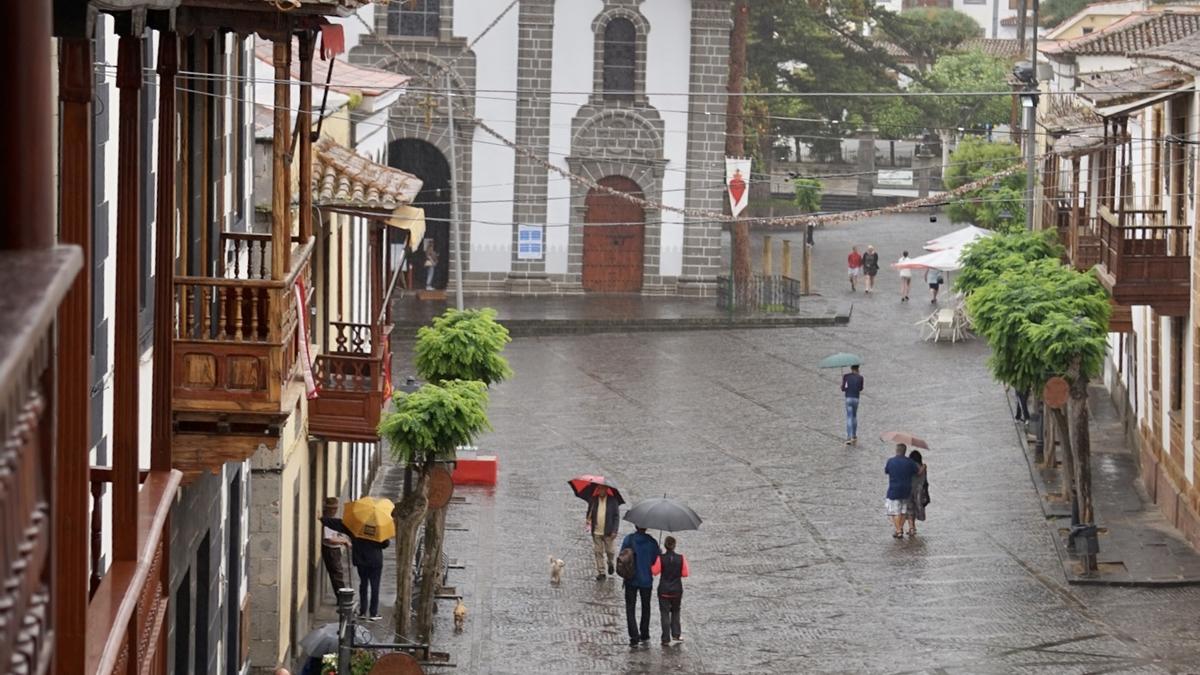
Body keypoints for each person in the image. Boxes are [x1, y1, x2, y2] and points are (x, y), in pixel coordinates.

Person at [321, 513, 390, 620]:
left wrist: (322, 519)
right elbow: (385, 544)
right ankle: (373, 613)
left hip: (361, 560)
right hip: (375, 561)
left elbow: (340, 524)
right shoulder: (378, 529)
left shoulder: (356, 527)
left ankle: (362, 612)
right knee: (375, 587)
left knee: (363, 585)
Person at [620, 526, 660, 647]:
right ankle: (644, 633)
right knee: (646, 606)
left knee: (630, 608)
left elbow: (622, 556)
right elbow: (653, 561)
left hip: (631, 578)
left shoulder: (628, 540)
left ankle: (634, 636)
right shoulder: (652, 542)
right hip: (646, 579)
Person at [651, 535, 689, 646]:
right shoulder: (681, 558)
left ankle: (665, 638)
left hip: (664, 590)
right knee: (676, 611)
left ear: (665, 545)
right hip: (677, 590)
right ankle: (676, 634)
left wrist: (657, 557)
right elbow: (685, 573)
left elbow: (654, 571)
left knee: (664, 613)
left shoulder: (661, 558)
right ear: (674, 545)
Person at [884, 443, 920, 539]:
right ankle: (899, 529)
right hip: (906, 490)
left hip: (894, 489)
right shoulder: (910, 462)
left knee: (894, 512)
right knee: (903, 511)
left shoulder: (890, 461)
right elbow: (917, 472)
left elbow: (886, 471)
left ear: (896, 450)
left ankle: (899, 530)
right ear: (905, 451)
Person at [585, 487, 621, 580]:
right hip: (596, 531)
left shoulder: (613, 501)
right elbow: (589, 513)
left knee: (610, 551)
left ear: (606, 490)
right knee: (598, 552)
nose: (601, 491)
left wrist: (615, 530)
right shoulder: (593, 500)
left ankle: (610, 562)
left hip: (608, 532)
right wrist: (588, 521)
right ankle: (601, 572)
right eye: (599, 489)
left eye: (603, 489)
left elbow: (616, 517)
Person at [320, 498, 351, 595]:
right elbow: (330, 540)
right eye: (334, 508)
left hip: (334, 550)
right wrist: (344, 541)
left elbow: (334, 536)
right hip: (331, 550)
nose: (336, 510)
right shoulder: (328, 522)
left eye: (336, 508)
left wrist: (340, 537)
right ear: (329, 509)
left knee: (338, 574)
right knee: (337, 575)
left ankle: (342, 597)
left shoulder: (331, 520)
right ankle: (342, 598)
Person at [905, 450, 928, 536]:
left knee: (910, 509)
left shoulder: (909, 466)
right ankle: (913, 527)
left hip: (909, 489)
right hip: (920, 491)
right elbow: (925, 480)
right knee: (915, 508)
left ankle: (911, 528)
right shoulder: (923, 467)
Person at [841, 364, 864, 446]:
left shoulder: (846, 376)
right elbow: (861, 388)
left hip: (848, 398)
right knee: (854, 416)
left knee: (849, 417)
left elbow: (843, 388)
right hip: (856, 398)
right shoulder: (860, 377)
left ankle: (849, 436)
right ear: (858, 368)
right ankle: (854, 435)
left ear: (851, 368)